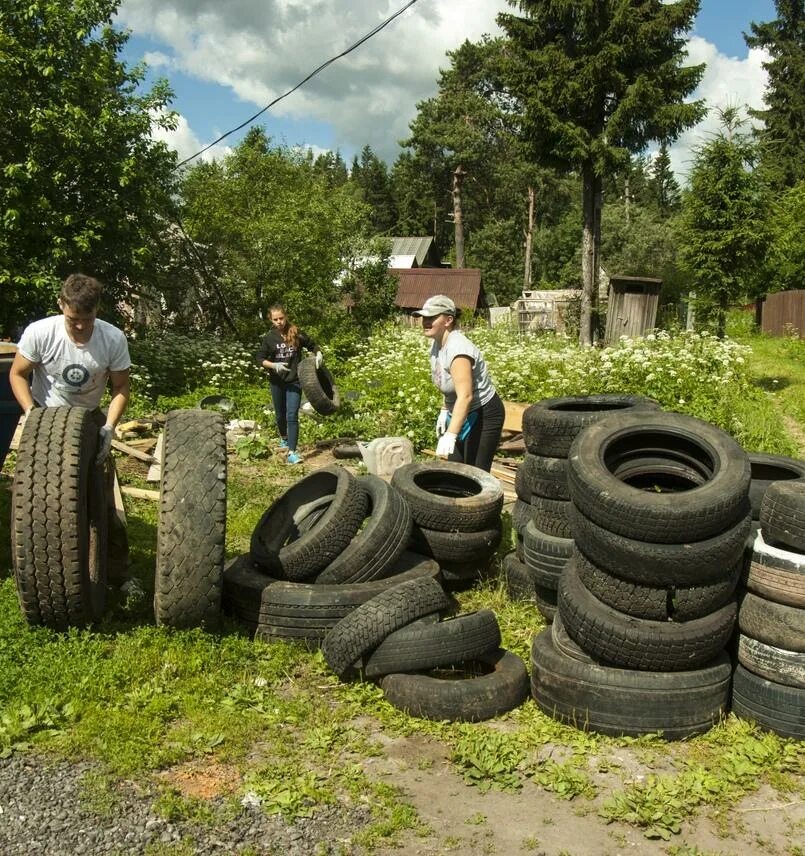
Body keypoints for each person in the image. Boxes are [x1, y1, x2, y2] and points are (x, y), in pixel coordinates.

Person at [9, 273, 132, 582]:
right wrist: (30, 414)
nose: (80, 326)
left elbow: (121, 388)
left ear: (98, 309)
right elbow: (18, 374)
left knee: (103, 503)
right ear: (61, 304)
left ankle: (116, 576)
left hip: (89, 422)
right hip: (46, 421)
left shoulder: (113, 338)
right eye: (73, 319)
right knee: (38, 501)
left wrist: (108, 427)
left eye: (87, 319)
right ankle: (40, 574)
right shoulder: (40, 333)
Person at [413, 294, 504, 473]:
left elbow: (466, 395)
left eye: (431, 317)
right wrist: (444, 409)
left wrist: (451, 434)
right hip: (462, 411)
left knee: (476, 474)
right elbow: (448, 385)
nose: (425, 321)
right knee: (457, 470)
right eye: (424, 317)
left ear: (448, 320)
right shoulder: (437, 345)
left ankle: (485, 501)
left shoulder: (458, 348)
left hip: (483, 412)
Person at [256, 303, 322, 464]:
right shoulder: (269, 338)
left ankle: (292, 452)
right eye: (275, 319)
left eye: (281, 318)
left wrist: (318, 353)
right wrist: (273, 365)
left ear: (285, 317)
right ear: (271, 320)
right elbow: (259, 358)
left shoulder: (296, 333)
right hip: (277, 382)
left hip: (294, 381)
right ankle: (284, 438)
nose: (279, 321)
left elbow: (312, 344)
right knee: (280, 415)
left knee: (292, 415)